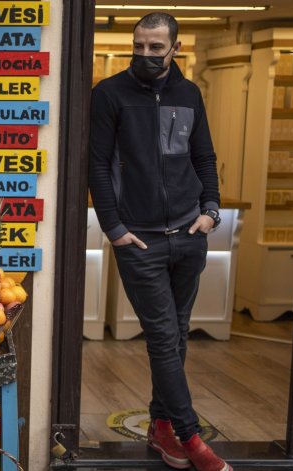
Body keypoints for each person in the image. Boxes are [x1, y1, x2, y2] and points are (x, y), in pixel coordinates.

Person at [88, 13, 231, 471]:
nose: (145, 55)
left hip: (189, 235)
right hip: (141, 242)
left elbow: (204, 156)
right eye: (139, 46)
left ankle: (161, 426)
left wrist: (211, 211)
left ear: (175, 48)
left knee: (177, 334)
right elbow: (97, 165)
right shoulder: (109, 94)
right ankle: (191, 437)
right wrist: (114, 229)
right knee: (164, 338)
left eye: (155, 47)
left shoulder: (189, 94)